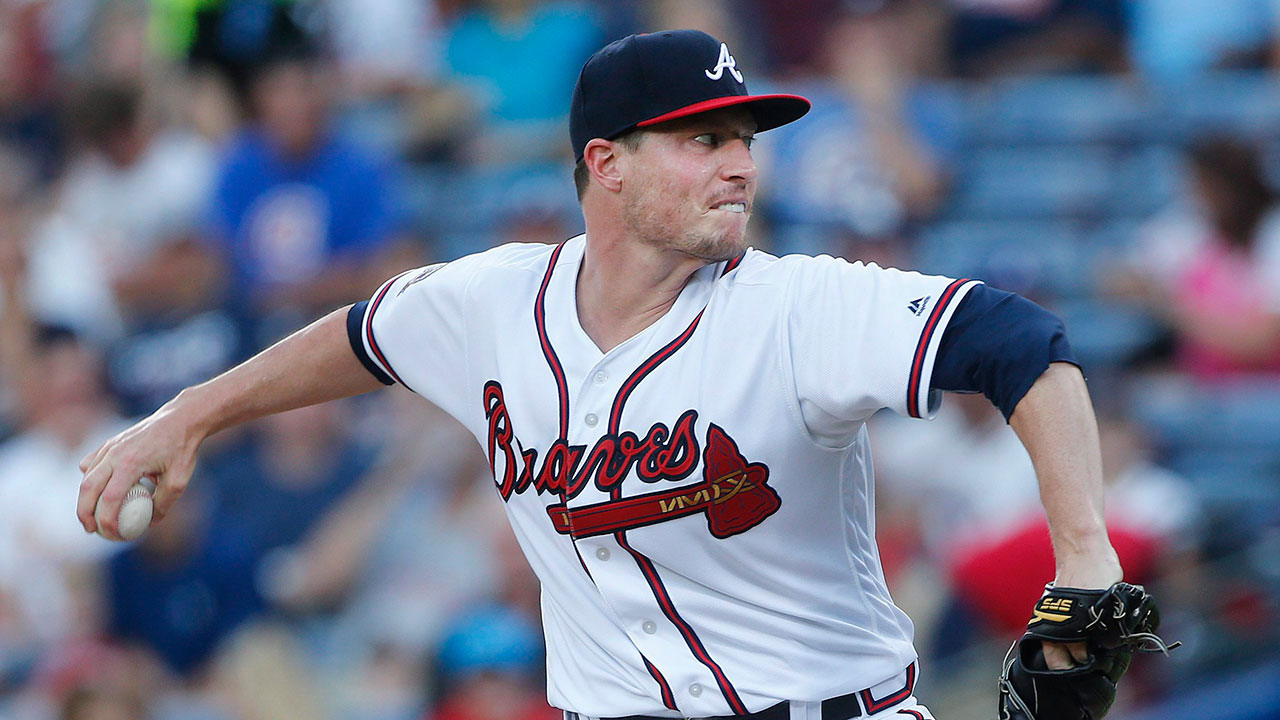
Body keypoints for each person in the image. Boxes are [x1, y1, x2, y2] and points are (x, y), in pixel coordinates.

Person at [80, 30, 1125, 720]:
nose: (739, 165)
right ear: (604, 164)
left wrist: (1082, 555)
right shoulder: (488, 302)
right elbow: (357, 338)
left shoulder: (796, 306)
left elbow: (1019, 343)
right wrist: (188, 416)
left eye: (743, 140)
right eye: (701, 140)